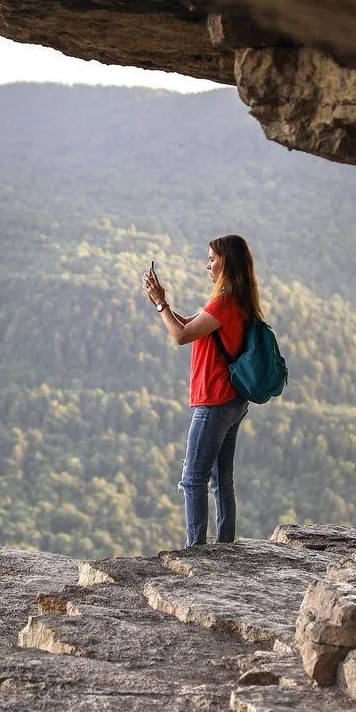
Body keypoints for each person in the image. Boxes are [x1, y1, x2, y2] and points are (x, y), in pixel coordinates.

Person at [141, 234, 263, 547]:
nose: (206, 265)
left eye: (211, 258)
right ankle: (225, 546)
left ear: (227, 263)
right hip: (234, 400)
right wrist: (163, 300)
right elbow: (189, 324)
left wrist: (159, 304)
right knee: (221, 479)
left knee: (193, 479)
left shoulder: (223, 303)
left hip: (214, 400)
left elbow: (181, 335)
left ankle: (196, 550)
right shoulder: (237, 300)